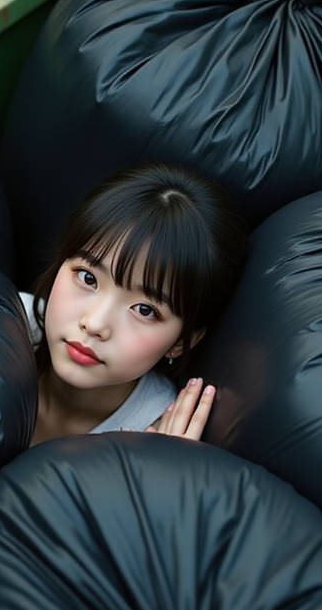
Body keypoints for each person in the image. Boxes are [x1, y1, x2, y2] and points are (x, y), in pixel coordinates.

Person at [21, 161, 247, 446]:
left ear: (181, 341)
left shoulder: (156, 437)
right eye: (88, 278)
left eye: (145, 310)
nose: (95, 324)